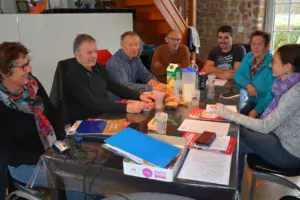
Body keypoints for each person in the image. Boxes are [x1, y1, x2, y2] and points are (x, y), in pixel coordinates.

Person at [209, 44, 300, 191]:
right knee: (239, 136)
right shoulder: (286, 85)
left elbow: (265, 126)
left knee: (239, 136)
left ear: (288, 67)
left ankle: (230, 189)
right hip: (281, 139)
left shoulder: (294, 94)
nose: (271, 64)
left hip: (291, 154)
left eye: (275, 61)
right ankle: (231, 189)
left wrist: (229, 114)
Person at [0, 42, 67, 197]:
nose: (29, 70)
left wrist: (63, 142)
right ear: (5, 73)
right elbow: (10, 155)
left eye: (28, 64)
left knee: (83, 172)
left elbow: (53, 113)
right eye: (23, 67)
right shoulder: (2, 106)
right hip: (24, 164)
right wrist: (49, 157)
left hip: (49, 153)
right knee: (72, 179)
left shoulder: (32, 84)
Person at [66, 34, 153, 124]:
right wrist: (126, 107)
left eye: (95, 51)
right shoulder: (74, 75)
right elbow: (93, 104)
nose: (94, 56)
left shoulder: (97, 67)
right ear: (77, 55)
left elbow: (113, 86)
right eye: (89, 53)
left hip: (104, 114)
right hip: (86, 122)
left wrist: (138, 95)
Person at [234, 31, 275, 118]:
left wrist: (257, 110)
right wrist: (248, 85)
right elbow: (238, 75)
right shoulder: (249, 56)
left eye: (259, 44)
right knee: (234, 119)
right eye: (253, 44)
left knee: (239, 123)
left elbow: (272, 94)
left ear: (267, 46)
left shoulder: (272, 64)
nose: (255, 47)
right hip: (252, 101)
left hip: (266, 106)